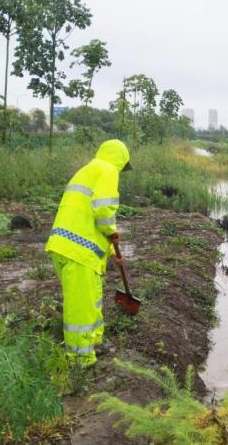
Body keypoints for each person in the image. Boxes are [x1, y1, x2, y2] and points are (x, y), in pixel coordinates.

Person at [45, 139, 132, 366]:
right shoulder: (108, 170)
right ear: (120, 160)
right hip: (78, 253)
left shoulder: (86, 170)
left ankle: (95, 341)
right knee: (80, 309)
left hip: (66, 246)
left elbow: (85, 216)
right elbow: (103, 209)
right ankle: (80, 359)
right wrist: (111, 230)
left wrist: (110, 250)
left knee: (90, 299)